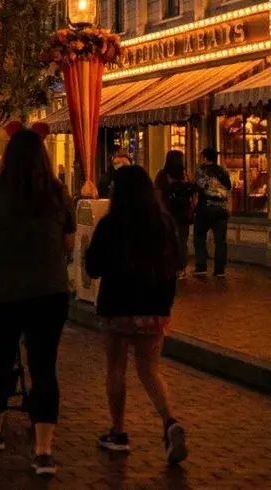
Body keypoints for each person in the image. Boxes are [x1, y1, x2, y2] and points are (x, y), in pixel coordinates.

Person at [0, 129, 74, 477]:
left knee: (2, 360)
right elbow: (67, 242)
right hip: (50, 292)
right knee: (44, 367)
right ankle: (43, 450)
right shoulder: (57, 193)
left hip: (3, 292)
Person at [84, 164, 188, 465]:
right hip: (155, 307)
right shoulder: (164, 223)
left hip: (118, 306)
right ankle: (169, 421)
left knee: (116, 367)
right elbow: (179, 261)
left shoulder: (111, 224)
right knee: (150, 369)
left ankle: (118, 432)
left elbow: (94, 266)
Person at [154, 150, 196, 271]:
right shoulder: (184, 175)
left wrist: (161, 211)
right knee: (182, 241)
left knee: (168, 240)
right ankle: (181, 266)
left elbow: (157, 193)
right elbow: (192, 193)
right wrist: (192, 208)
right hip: (183, 213)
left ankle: (170, 265)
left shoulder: (162, 176)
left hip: (168, 212)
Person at [194, 148, 232, 278]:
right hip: (221, 210)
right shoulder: (222, 171)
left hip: (205, 208)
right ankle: (220, 270)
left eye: (201, 157)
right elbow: (229, 187)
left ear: (205, 158)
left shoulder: (201, 171)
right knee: (220, 241)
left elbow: (199, 187)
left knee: (199, 237)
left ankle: (201, 267)